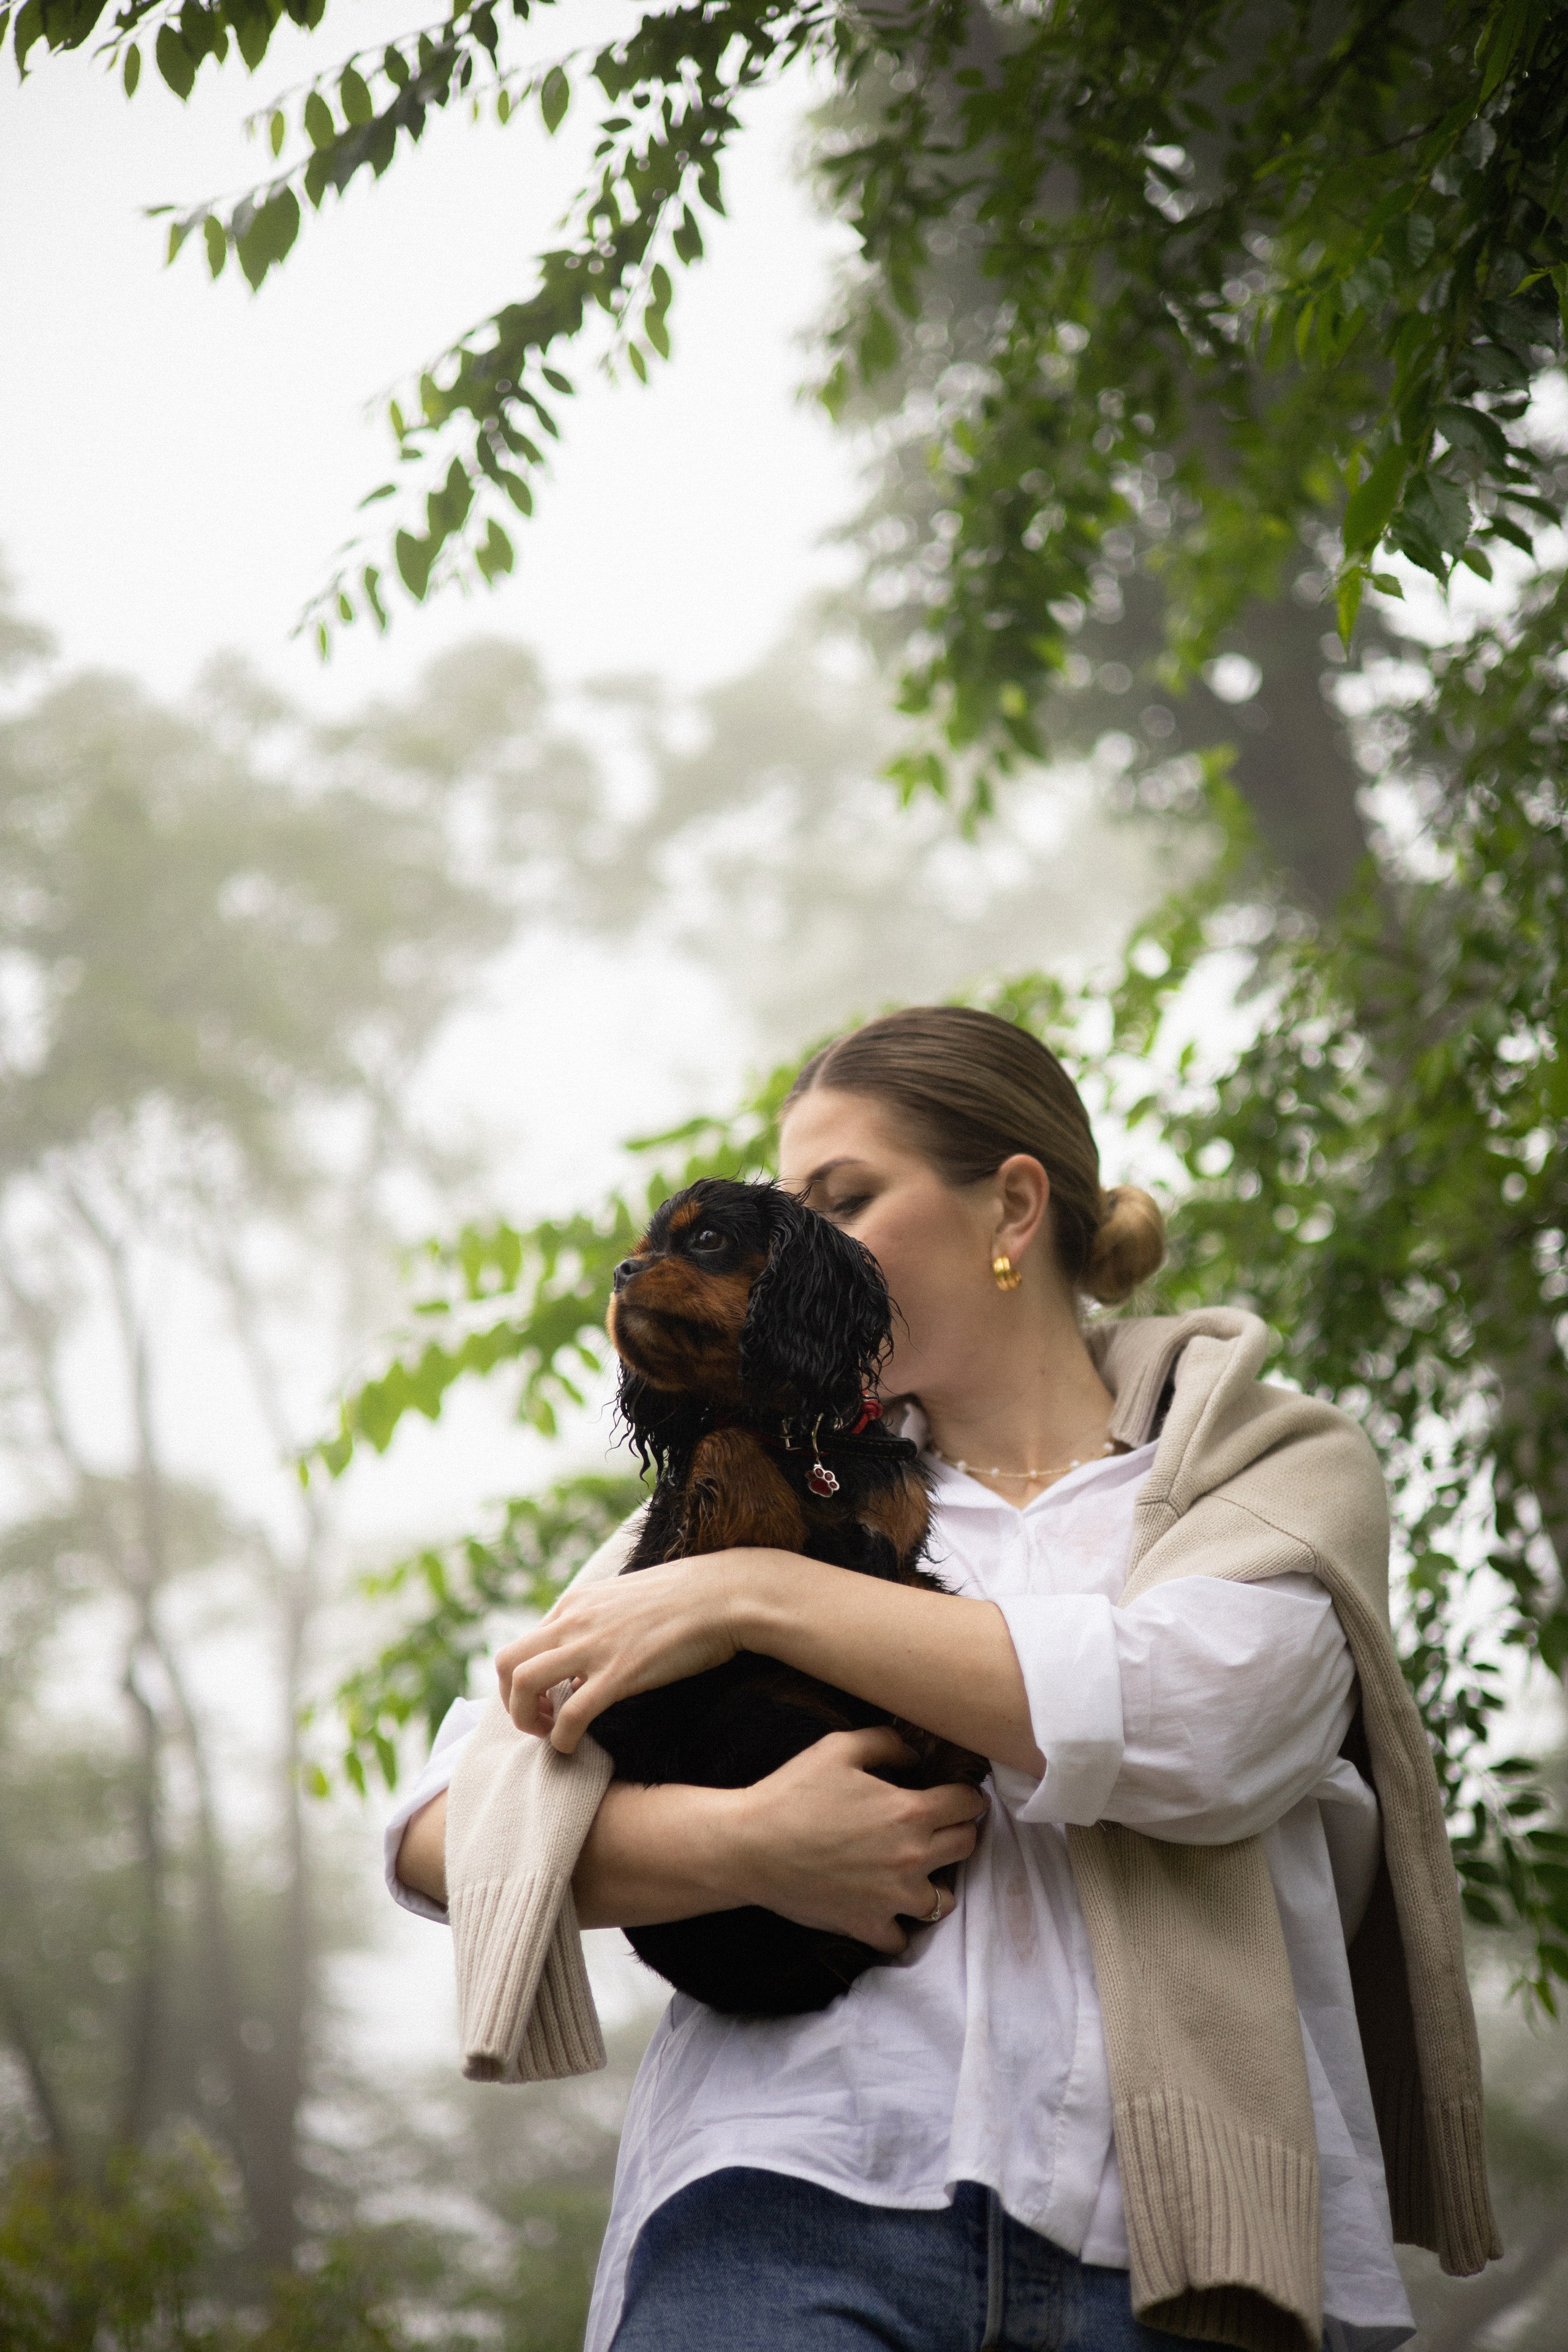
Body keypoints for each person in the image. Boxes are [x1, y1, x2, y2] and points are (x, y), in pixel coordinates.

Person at [390, 1006, 1497, 2352]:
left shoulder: (1260, 1473)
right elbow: (452, 1825)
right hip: (779, 2204)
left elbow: (1197, 1728)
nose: (801, 1250)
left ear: (1012, 1207)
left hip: (1178, 2253)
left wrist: (760, 1597)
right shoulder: (758, 1490)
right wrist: (744, 1844)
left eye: (842, 1201)